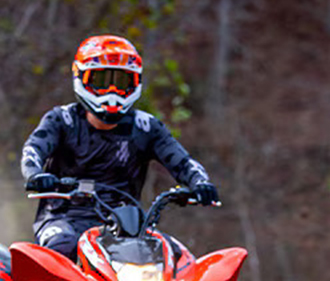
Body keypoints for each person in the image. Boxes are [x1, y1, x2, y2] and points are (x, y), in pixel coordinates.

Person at [21, 35, 219, 260]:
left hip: (126, 225)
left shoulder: (146, 127)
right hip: (63, 219)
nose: (112, 91)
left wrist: (200, 183)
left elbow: (183, 162)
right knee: (60, 251)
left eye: (122, 82)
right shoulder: (62, 120)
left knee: (179, 258)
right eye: (102, 80)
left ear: (135, 83)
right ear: (81, 78)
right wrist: (36, 175)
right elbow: (33, 150)